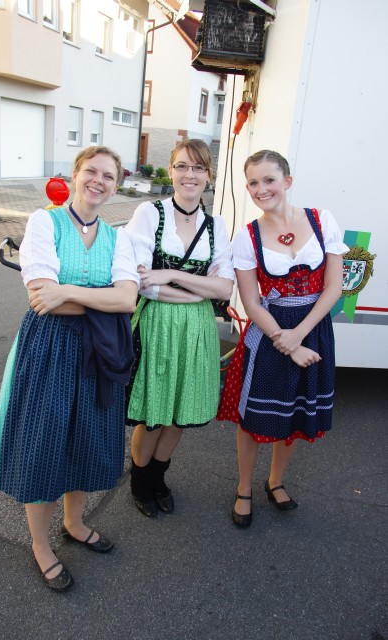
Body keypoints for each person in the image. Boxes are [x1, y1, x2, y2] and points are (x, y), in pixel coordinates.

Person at [0, 146, 138, 590]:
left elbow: (127, 299)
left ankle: (74, 523)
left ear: (116, 186)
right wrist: (102, 300)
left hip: (96, 351)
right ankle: (40, 543)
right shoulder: (44, 222)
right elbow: (41, 299)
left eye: (108, 176)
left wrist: (68, 292)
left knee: (87, 439)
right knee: (45, 442)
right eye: (91, 171)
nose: (98, 181)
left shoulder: (118, 238)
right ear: (75, 174)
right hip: (48, 349)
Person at [218, 150, 348, 528]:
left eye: (269, 179)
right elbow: (250, 301)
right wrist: (284, 340)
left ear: (287, 181)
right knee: (253, 418)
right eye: (253, 183)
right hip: (268, 331)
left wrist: (299, 336)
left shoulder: (322, 221)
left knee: (292, 411)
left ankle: (275, 481)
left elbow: (334, 287)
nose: (262, 189)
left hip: (312, 328)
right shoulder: (248, 236)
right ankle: (244, 487)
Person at [124, 139, 234, 517]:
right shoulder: (149, 213)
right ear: (171, 170)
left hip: (197, 330)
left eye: (198, 168)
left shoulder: (216, 224)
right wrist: (197, 293)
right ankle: (140, 483)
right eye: (182, 166)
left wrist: (170, 275)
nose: (190, 175)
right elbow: (141, 283)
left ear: (208, 175)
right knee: (155, 412)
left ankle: (159, 478)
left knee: (181, 410)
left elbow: (225, 288)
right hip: (157, 324)